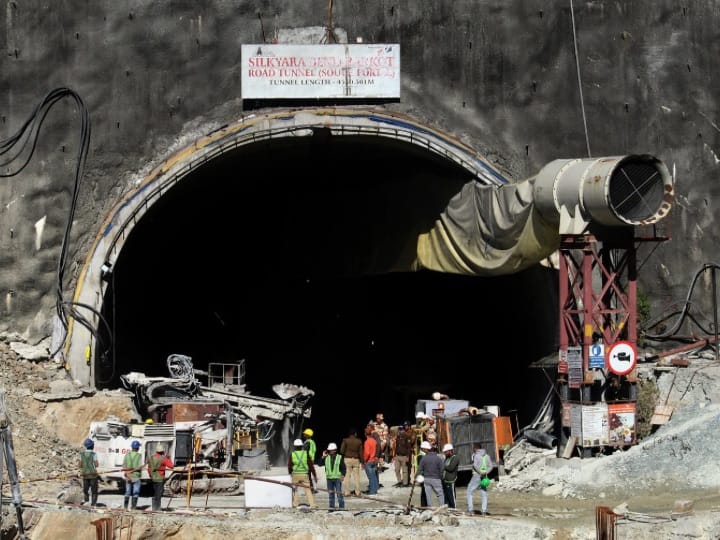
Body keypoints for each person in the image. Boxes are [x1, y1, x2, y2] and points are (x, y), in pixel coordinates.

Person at [467, 443, 495, 515]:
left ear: (476, 448)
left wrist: (480, 472)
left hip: (477, 476)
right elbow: (491, 466)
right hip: (485, 477)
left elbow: (475, 466)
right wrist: (485, 472)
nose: (473, 449)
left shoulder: (476, 456)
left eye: (473, 448)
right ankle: (484, 511)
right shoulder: (487, 456)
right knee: (484, 493)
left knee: (469, 491)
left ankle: (470, 510)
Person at [288, 438, 317, 508]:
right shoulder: (306, 454)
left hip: (295, 474)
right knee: (308, 489)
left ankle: (295, 504)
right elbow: (311, 466)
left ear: (294, 446)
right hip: (304, 474)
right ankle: (312, 504)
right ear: (301, 446)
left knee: (295, 489)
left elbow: (289, 465)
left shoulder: (292, 454)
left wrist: (290, 473)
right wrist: (315, 476)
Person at [147, 443, 174, 511]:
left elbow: (149, 468)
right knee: (159, 494)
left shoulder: (151, 458)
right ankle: (157, 508)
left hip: (153, 478)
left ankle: (154, 507)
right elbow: (171, 466)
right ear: (162, 451)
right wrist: (168, 458)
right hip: (159, 478)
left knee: (155, 493)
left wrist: (150, 475)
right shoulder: (163, 459)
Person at [416, 440, 444, 506]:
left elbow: (419, 469)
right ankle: (442, 507)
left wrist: (416, 477)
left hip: (426, 479)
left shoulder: (424, 458)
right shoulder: (438, 458)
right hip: (436, 478)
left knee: (428, 496)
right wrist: (440, 477)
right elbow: (442, 469)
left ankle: (430, 508)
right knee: (440, 494)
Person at [340, 427, 363, 496]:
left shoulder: (345, 440)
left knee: (347, 476)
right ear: (355, 434)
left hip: (347, 459)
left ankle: (347, 492)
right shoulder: (359, 441)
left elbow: (341, 450)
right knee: (357, 477)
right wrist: (362, 461)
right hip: (356, 460)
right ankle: (358, 492)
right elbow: (361, 452)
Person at [322, 442, 346, 509]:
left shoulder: (339, 457)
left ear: (335, 450)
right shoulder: (326, 457)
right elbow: (319, 463)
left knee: (339, 493)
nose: (330, 451)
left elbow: (343, 468)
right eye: (329, 450)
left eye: (332, 450)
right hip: (329, 478)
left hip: (337, 479)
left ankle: (341, 507)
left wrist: (343, 475)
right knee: (331, 494)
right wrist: (323, 456)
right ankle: (331, 507)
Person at [122, 440, 143, 510]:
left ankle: (125, 507)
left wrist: (128, 473)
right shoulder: (139, 456)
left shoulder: (127, 455)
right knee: (135, 493)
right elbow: (140, 467)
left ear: (132, 447)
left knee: (127, 492)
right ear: (137, 448)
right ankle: (133, 508)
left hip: (128, 477)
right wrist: (132, 471)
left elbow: (124, 466)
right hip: (136, 477)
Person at [78, 438, 99, 506]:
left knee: (85, 490)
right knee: (94, 491)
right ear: (92, 446)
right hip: (93, 475)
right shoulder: (94, 454)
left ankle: (86, 502)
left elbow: (80, 465)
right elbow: (96, 465)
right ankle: (93, 504)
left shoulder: (82, 454)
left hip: (85, 474)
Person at [392, 421, 413, 487]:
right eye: (399, 430)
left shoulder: (407, 436)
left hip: (404, 456)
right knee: (397, 470)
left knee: (405, 471)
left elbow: (409, 447)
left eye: (401, 430)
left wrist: (407, 456)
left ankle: (405, 483)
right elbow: (396, 446)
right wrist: (394, 455)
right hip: (398, 456)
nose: (400, 431)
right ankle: (399, 481)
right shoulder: (398, 437)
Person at [362, 424, 379, 495]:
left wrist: (364, 460)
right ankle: (375, 490)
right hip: (374, 461)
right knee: (374, 476)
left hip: (369, 461)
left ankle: (372, 491)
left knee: (370, 477)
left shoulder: (367, 442)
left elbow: (367, 453)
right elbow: (377, 449)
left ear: (365, 434)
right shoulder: (374, 441)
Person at [441, 443, 459, 508]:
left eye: (446, 452)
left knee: (452, 497)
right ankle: (448, 509)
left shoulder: (455, 458)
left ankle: (454, 508)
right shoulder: (447, 458)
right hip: (445, 481)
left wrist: (443, 466)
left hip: (451, 481)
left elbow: (451, 468)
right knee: (446, 497)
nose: (445, 453)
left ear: (450, 451)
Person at [302, 428, 318, 493]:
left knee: (307, 475)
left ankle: (311, 489)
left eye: (305, 434)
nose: (304, 435)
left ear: (308, 435)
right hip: (311, 459)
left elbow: (304, 452)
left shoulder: (307, 442)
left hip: (308, 459)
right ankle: (311, 489)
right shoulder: (312, 442)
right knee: (308, 475)